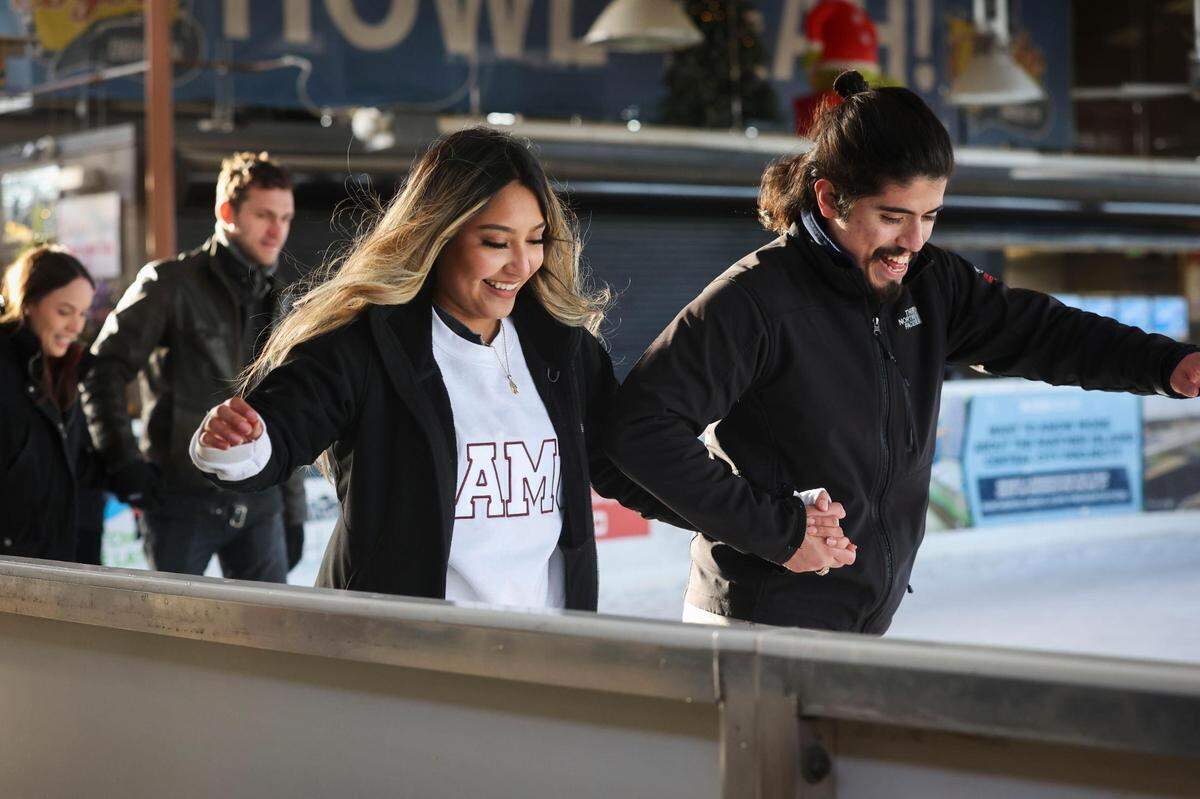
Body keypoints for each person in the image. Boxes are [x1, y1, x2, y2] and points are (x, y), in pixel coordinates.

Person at [604, 71, 1200, 631]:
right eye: (893, 217)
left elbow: (1043, 332)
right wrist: (779, 532)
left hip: (858, 616)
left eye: (930, 216)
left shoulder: (930, 282)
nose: (912, 242)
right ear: (831, 198)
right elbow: (640, 428)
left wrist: (1167, 365)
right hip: (756, 621)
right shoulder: (755, 301)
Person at [186, 127, 814, 610]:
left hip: (541, 653)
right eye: (495, 242)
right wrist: (240, 443)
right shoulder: (366, 345)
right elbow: (279, 431)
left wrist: (770, 518)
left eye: (535, 238)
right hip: (403, 655)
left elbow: (631, 466)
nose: (522, 264)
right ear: (437, 234)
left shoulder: (561, 350)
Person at [81, 151, 306, 582]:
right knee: (170, 640)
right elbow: (102, 369)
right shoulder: (169, 283)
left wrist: (292, 508)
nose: (277, 229)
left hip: (262, 500)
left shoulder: (286, 298)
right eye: (264, 215)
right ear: (228, 212)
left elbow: (286, 405)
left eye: (286, 217)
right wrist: (123, 464)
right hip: (180, 500)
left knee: (267, 642)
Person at [1, 246, 99, 561]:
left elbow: (73, 464)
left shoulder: (67, 371)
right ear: (29, 303)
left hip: (58, 556)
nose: (76, 326)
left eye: (83, 313)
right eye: (64, 311)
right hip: (14, 563)